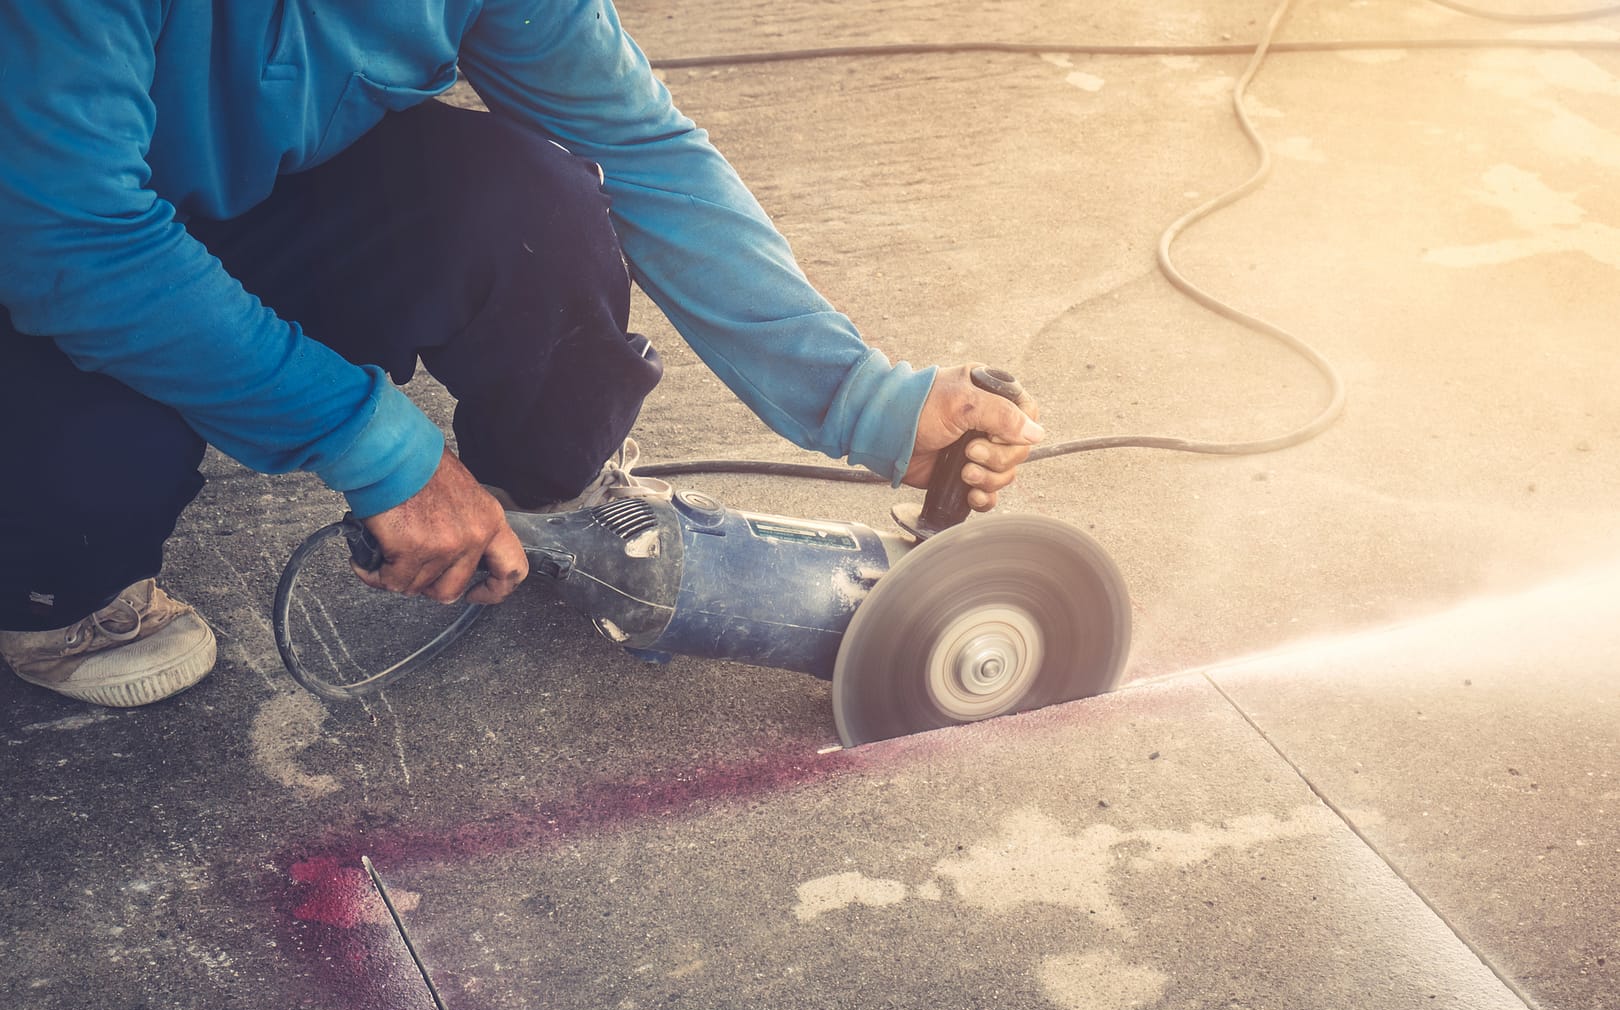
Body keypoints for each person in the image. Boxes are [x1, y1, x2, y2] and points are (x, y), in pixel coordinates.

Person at [0, 1, 1045, 708]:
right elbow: (71, 241)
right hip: (36, 241)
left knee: (535, 209)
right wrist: (376, 448)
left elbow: (643, 151)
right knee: (90, 471)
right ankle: (61, 602)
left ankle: (519, 502)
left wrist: (861, 399)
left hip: (222, 193)